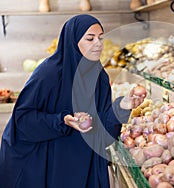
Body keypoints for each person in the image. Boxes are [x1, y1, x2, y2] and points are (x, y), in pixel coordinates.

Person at [0, 14, 146, 188]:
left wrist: (122, 106)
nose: (98, 44)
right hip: (46, 161)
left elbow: (104, 133)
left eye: (100, 38)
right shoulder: (49, 73)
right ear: (73, 41)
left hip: (82, 164)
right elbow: (23, 119)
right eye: (90, 39)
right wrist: (62, 120)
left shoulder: (99, 77)